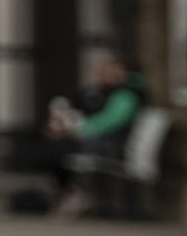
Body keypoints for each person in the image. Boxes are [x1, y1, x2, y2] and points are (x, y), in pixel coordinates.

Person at [38, 50, 149, 218]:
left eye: (112, 71)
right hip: (102, 141)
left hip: (112, 145)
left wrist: (77, 131)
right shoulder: (105, 92)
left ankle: (72, 193)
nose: (106, 75)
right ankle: (71, 192)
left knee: (57, 152)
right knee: (55, 150)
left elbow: (108, 122)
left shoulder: (127, 95)